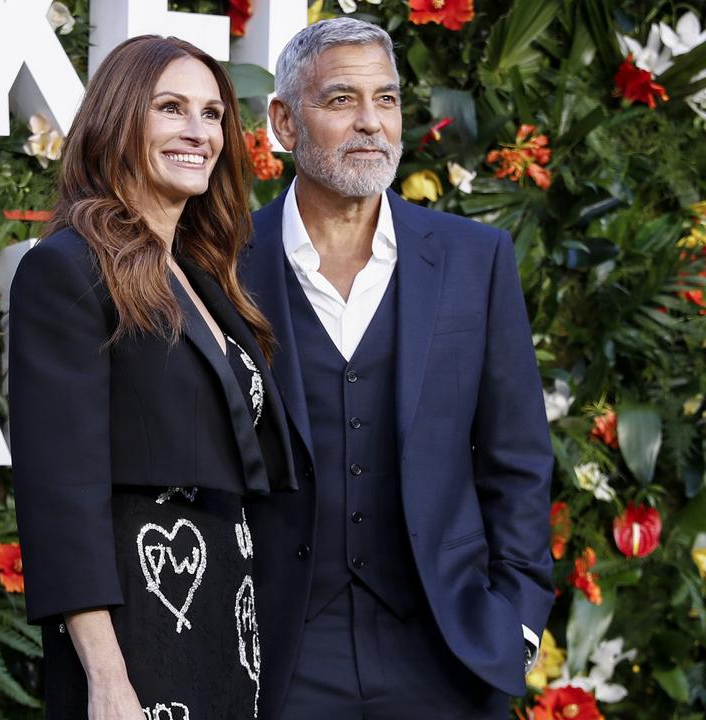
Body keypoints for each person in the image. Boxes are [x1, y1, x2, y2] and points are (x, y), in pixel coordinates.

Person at [239, 17, 554, 719]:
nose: (372, 124)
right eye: (342, 100)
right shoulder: (222, 263)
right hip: (282, 653)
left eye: (386, 99)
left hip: (447, 646)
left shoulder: (475, 258)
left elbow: (518, 457)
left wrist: (519, 622)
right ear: (285, 122)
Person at [9, 35, 297, 720]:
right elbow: (61, 491)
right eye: (171, 109)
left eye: (213, 114)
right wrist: (107, 680)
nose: (199, 132)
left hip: (228, 616)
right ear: (119, 120)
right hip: (137, 627)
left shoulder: (201, 275)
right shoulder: (68, 267)